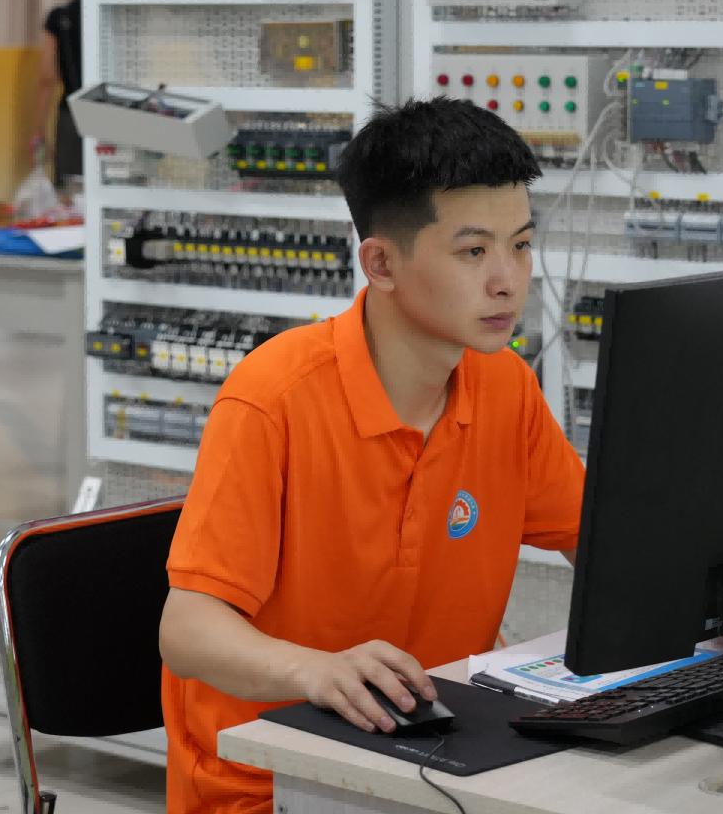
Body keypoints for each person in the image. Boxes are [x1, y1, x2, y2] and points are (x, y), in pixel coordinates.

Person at [158, 98, 589, 814]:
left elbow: (600, 544)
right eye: (473, 252)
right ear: (381, 263)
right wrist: (317, 672)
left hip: (442, 761)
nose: (508, 280)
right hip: (268, 780)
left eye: (520, 244)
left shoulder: (505, 386)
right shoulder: (273, 398)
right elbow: (187, 632)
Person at [34, 0, 84, 190]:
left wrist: (37, 131)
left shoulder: (59, 18)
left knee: (69, 196)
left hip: (72, 116)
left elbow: (47, 77)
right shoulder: (116, 13)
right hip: (114, 116)